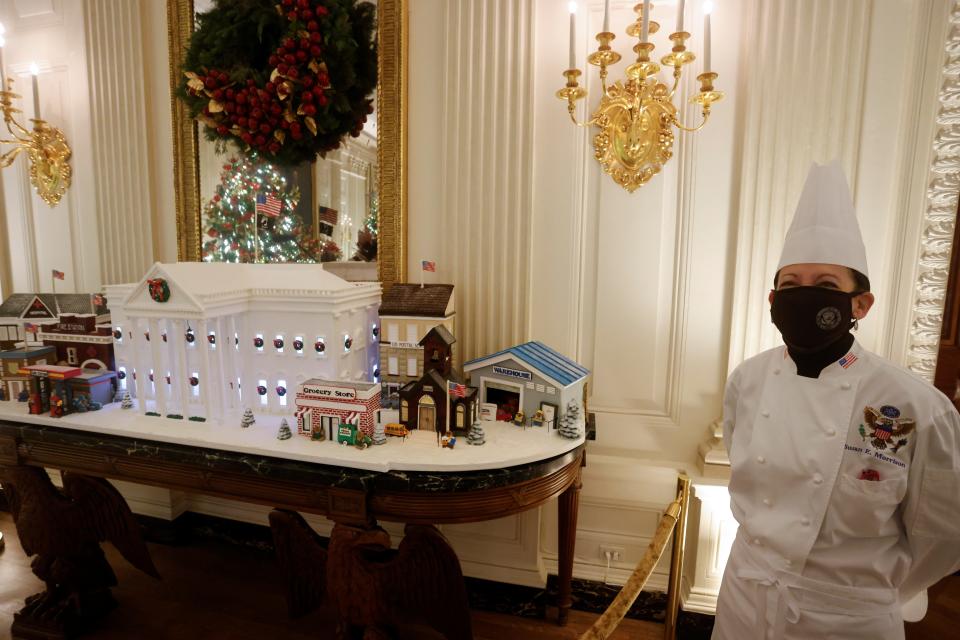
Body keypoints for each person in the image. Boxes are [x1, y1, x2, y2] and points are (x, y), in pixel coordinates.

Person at [713, 162, 960, 640]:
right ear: (772, 300)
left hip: (849, 618)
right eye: (790, 287)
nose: (804, 298)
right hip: (745, 594)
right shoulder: (748, 380)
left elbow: (943, 535)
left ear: (860, 305)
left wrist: (861, 595)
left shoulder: (915, 406)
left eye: (825, 286)